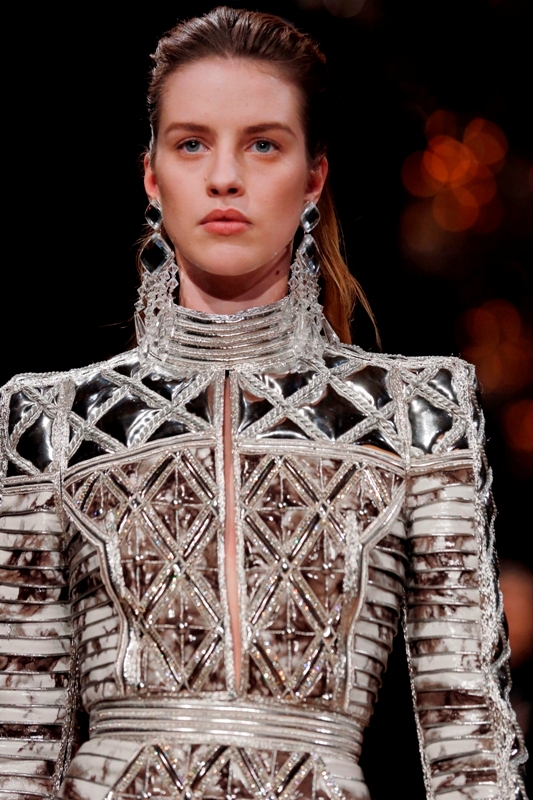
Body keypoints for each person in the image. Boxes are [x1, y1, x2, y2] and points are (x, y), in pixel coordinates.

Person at [0, 7, 527, 800]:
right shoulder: (54, 422)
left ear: (313, 177)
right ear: (152, 177)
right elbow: (18, 746)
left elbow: (469, 744)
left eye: (263, 145)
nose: (224, 177)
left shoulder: (415, 411)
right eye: (191, 144)